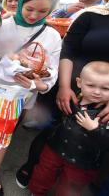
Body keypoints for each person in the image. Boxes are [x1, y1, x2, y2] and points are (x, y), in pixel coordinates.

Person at [0, 0, 61, 196]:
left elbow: (52, 71)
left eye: (42, 11)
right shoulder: (3, 25)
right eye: (29, 9)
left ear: (50, 10)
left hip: (20, 96)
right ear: (20, 3)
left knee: (4, 133)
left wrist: (38, 84)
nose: (33, 15)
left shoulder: (52, 36)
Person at [15, 1, 109, 189]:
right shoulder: (92, 15)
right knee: (52, 132)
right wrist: (65, 86)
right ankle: (33, 170)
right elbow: (69, 49)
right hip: (70, 86)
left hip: (105, 95)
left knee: (93, 137)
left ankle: (74, 180)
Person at [29, 61, 109, 196]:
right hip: (55, 148)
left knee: (71, 187)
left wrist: (95, 129)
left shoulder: (106, 114)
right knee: (43, 174)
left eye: (105, 89)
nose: (96, 92)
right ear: (79, 82)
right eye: (90, 85)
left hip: (83, 161)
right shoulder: (71, 97)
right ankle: (36, 192)